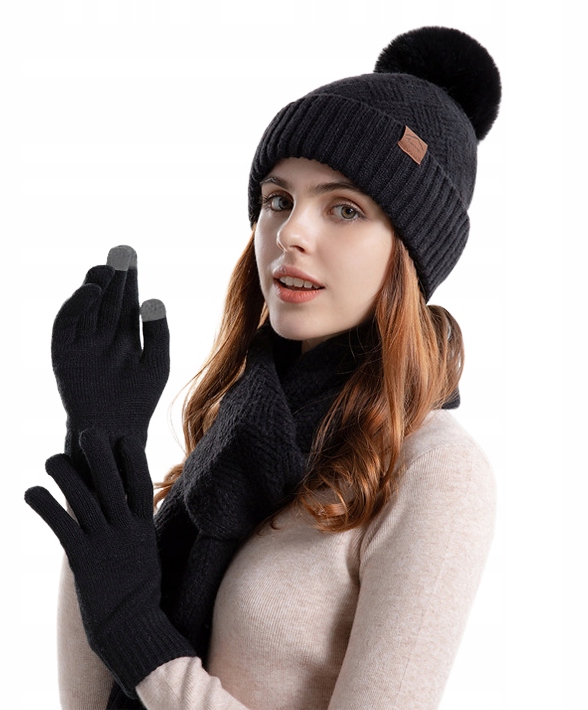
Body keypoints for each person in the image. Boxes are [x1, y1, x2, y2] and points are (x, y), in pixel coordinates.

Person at [25, 25, 501, 710]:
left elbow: (135, 643)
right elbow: (90, 692)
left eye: (345, 208)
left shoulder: (436, 472)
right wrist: (106, 447)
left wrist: (142, 641)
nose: (292, 233)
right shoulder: (235, 436)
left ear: (411, 253)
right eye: (279, 200)